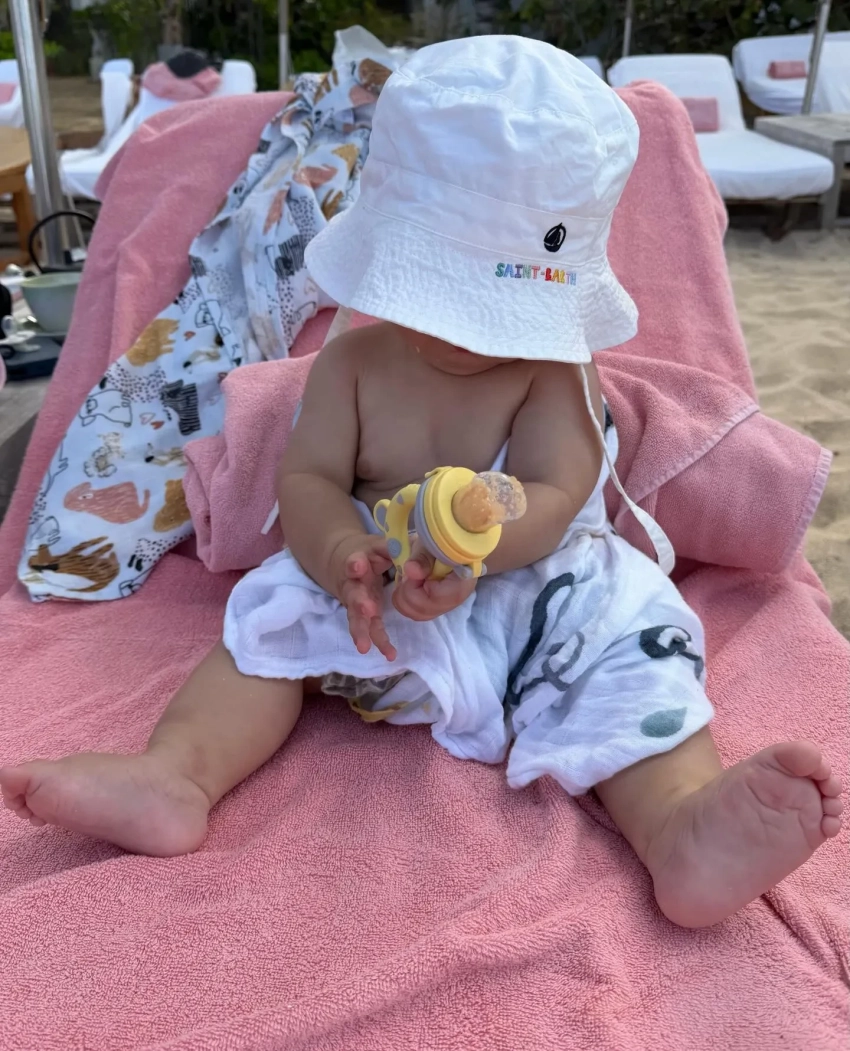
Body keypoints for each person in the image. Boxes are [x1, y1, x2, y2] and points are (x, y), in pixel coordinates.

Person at [0, 37, 841, 928]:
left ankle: (679, 824)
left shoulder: (556, 369)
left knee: (629, 644)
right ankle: (178, 773)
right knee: (266, 625)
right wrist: (340, 554)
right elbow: (310, 476)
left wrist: (481, 549)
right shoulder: (352, 363)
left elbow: (558, 494)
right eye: (445, 295)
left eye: (496, 308)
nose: (472, 334)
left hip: (537, 595)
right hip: (374, 607)